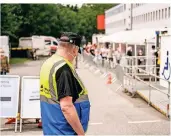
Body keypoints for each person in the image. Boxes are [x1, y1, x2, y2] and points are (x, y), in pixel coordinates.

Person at [40, 32, 90, 135]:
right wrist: (81, 134)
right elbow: (66, 107)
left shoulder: (48, 63)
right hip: (65, 131)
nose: (76, 55)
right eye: (76, 52)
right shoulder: (63, 69)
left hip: (52, 128)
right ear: (74, 49)